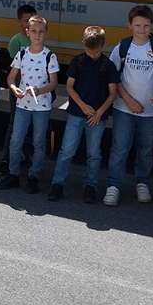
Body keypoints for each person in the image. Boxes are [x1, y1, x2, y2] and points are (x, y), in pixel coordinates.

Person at [103, 5, 153, 207]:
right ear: (129, 26)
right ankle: (114, 185)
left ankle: (142, 182)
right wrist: (128, 100)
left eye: (146, 26)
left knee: (146, 149)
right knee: (120, 148)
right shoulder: (123, 47)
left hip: (151, 112)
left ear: (151, 25)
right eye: (137, 25)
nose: (142, 30)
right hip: (124, 108)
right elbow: (113, 76)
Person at [46, 26, 118, 202]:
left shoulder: (108, 65)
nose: (92, 54)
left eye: (96, 51)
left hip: (97, 116)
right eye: (89, 51)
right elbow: (70, 86)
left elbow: (113, 93)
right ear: (84, 45)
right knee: (67, 150)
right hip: (77, 113)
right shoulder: (77, 62)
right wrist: (83, 106)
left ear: (102, 46)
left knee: (94, 153)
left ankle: (90, 186)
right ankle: (57, 184)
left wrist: (99, 112)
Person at [0, 15, 59, 193]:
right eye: (33, 31)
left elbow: (54, 82)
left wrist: (40, 90)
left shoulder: (50, 56)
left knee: (39, 142)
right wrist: (14, 88)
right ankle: (13, 174)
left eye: (41, 32)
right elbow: (11, 77)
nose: (37, 35)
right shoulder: (22, 53)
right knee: (16, 139)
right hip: (22, 104)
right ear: (27, 32)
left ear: (46, 33)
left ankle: (34, 176)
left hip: (42, 106)